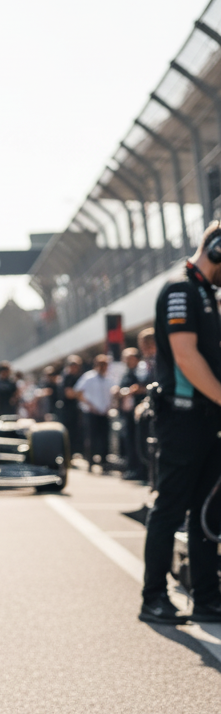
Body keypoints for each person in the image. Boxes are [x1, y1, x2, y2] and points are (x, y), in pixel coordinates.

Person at [141, 223, 221, 624]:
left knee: (209, 513)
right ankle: (153, 597)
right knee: (170, 508)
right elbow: (186, 357)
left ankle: (208, 598)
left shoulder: (207, 294)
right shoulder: (180, 291)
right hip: (182, 419)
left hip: (208, 420)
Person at [75, 354, 113, 472]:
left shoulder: (109, 379)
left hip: (104, 412)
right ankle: (91, 462)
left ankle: (104, 462)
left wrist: (109, 407)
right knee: (91, 438)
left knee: (105, 437)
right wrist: (90, 405)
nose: (103, 367)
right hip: (91, 412)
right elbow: (79, 393)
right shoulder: (88, 377)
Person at [116, 347, 147, 481]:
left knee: (139, 441)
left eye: (130, 359)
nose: (128, 361)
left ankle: (141, 471)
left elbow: (146, 387)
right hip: (127, 413)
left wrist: (137, 390)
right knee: (129, 441)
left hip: (140, 412)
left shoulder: (143, 371)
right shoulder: (126, 373)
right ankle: (132, 468)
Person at [57, 355, 83, 454]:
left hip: (74, 411)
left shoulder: (75, 377)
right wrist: (80, 394)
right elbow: (69, 394)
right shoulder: (67, 377)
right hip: (67, 411)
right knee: (68, 434)